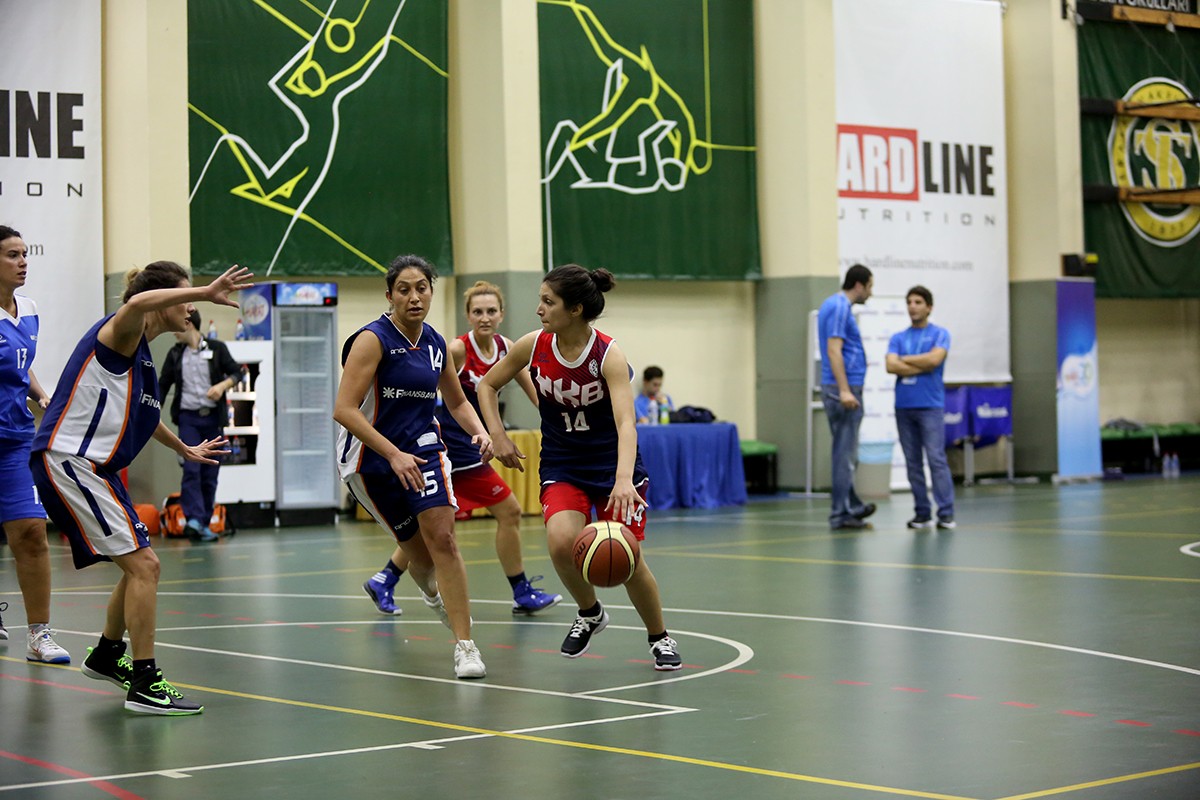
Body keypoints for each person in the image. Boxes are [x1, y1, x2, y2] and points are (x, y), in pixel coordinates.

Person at [32, 260, 251, 715]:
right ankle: (145, 684)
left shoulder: (144, 358)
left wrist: (184, 447)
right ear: (162, 300)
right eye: (183, 297)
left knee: (138, 564)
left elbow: (147, 417)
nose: (189, 308)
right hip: (72, 460)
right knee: (145, 566)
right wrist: (206, 292)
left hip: (97, 468)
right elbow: (136, 303)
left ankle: (108, 653)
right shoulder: (124, 330)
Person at [477, 264, 683, 671]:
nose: (539, 309)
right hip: (564, 462)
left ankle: (659, 636)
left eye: (548, 301)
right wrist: (497, 435)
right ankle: (590, 612)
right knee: (560, 542)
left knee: (626, 558)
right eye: (540, 299)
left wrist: (623, 480)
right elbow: (487, 384)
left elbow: (627, 423)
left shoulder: (608, 354)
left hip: (613, 466)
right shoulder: (533, 345)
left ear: (575, 310)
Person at [362, 281, 562, 618]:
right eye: (477, 311)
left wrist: (559, 418)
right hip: (451, 448)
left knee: (437, 528)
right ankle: (521, 591)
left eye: (491, 311)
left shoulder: (506, 348)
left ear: (501, 314)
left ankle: (385, 579)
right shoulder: (456, 349)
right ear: (468, 316)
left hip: (473, 448)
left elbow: (535, 391)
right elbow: (438, 394)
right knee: (506, 512)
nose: (485, 317)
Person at [334, 255, 492, 680]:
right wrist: (393, 454)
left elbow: (457, 401)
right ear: (390, 295)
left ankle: (465, 646)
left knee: (444, 540)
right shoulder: (372, 340)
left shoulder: (437, 344)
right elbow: (344, 409)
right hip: (370, 461)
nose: (414, 296)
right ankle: (434, 595)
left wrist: (480, 432)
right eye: (404, 289)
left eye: (421, 287)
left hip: (423, 450)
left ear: (431, 292)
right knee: (420, 558)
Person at [0, 225, 69, 663]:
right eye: (12, 254)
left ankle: (39, 634)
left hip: (14, 440)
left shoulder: (28, 310)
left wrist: (41, 394)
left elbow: (20, 367)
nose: (23, 261)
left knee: (31, 532)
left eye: (25, 254)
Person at [158, 308, 242, 542]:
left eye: (177, 327)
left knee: (210, 472)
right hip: (188, 420)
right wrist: (150, 410)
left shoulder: (217, 348)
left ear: (189, 324)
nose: (174, 333)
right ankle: (193, 519)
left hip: (213, 419)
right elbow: (162, 385)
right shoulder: (175, 354)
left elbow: (237, 372)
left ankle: (203, 523)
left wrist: (222, 386)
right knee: (192, 467)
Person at [886, 285, 955, 530]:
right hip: (904, 407)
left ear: (929, 307)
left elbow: (935, 360)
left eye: (917, 302)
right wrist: (921, 363)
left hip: (930, 406)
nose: (912, 307)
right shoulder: (898, 338)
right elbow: (890, 366)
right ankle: (922, 513)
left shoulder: (940, 334)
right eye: (909, 302)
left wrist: (904, 360)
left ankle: (945, 513)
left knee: (936, 459)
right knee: (912, 462)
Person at [817, 264, 876, 530]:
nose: (871, 293)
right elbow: (834, 350)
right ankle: (840, 513)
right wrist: (844, 390)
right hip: (843, 388)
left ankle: (852, 504)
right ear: (859, 285)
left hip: (841, 386)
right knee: (845, 454)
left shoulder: (833, 305)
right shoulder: (840, 307)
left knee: (846, 451)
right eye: (870, 286)